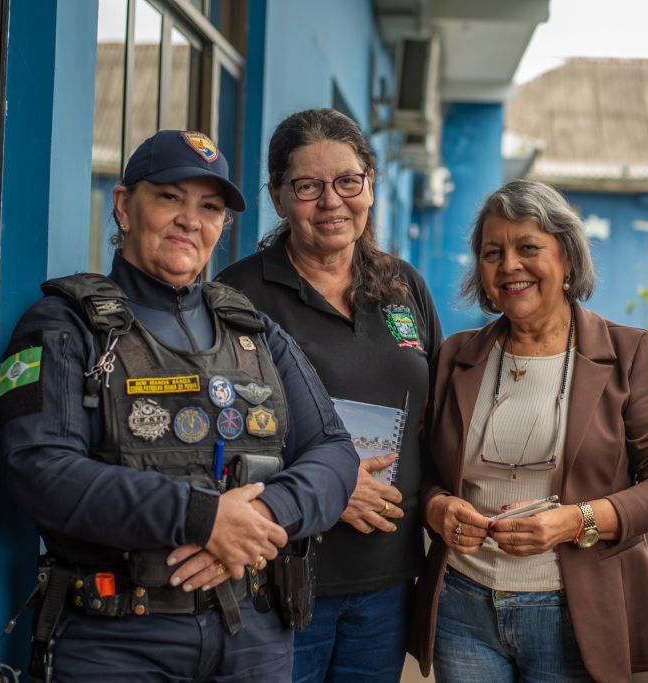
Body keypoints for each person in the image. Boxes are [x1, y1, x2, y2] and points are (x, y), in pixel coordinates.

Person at [0, 130, 359, 682]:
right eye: (170, 196)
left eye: (209, 207)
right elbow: (40, 468)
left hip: (252, 636)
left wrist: (259, 517)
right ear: (124, 205)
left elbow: (333, 453)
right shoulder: (65, 326)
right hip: (117, 640)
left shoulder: (255, 333)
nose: (191, 219)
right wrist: (203, 518)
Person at [409, 179, 648, 683]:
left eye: (528, 248)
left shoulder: (630, 354)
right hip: (463, 606)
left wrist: (575, 521)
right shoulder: (457, 356)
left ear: (566, 257)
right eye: (492, 252)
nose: (509, 266)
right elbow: (426, 471)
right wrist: (438, 508)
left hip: (572, 611)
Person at [217, 108, 442, 683]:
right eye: (308, 186)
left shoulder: (402, 285)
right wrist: (327, 489)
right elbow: (213, 439)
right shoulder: (238, 296)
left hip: (386, 579)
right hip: (279, 575)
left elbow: (435, 414)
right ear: (278, 196)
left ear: (369, 181)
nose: (332, 202)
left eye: (348, 181)